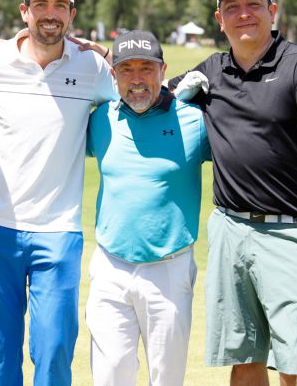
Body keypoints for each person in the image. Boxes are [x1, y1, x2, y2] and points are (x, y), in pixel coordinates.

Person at [168, 0, 297, 386]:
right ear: (219, 18)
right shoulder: (210, 70)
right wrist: (97, 56)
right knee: (243, 357)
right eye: (232, 7)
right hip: (229, 229)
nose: (243, 14)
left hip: (291, 233)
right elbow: (146, 91)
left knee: (294, 364)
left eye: (253, 5)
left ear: (272, 10)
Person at [0, 0, 117, 386]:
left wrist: (107, 52)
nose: (51, 14)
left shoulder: (92, 67)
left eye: (60, 5)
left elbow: (137, 93)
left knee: (53, 351)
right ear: (24, 11)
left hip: (59, 232)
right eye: (41, 4)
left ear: (72, 13)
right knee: (0, 353)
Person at [85, 30, 211, 386]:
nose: (137, 80)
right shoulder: (100, 119)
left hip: (169, 270)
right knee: (110, 377)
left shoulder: (195, 121)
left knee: (167, 379)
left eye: (146, 69)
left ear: (163, 71)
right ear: (114, 74)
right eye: (126, 70)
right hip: (111, 267)